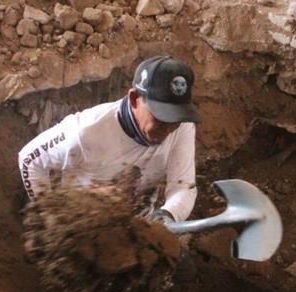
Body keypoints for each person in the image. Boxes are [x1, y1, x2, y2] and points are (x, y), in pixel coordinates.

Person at [17, 55, 200, 224]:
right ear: (135, 99)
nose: (169, 128)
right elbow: (29, 158)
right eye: (161, 118)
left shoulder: (182, 127)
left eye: (175, 118)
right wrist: (48, 217)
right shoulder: (86, 132)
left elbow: (183, 186)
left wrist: (168, 215)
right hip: (83, 229)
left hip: (140, 228)